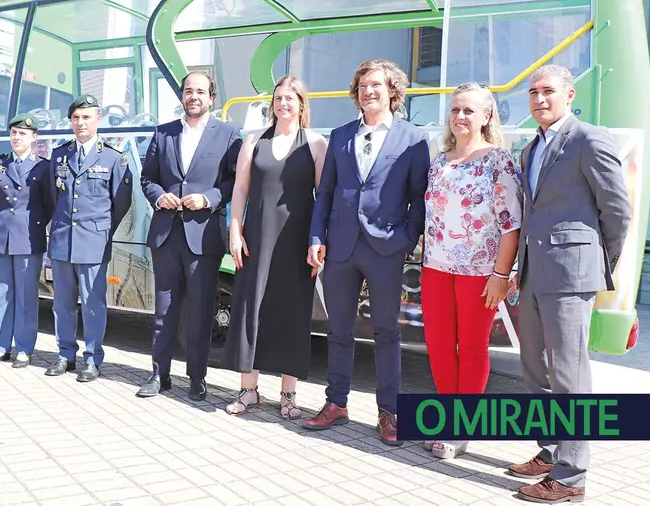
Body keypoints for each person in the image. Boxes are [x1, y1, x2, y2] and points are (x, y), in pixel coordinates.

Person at [509, 64, 631, 504]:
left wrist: (597, 261)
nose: (539, 99)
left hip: (571, 273)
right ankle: (549, 451)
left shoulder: (589, 138)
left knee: (569, 375)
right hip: (533, 273)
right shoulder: (530, 148)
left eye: (548, 91)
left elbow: (617, 210)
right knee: (534, 370)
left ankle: (571, 476)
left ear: (569, 94)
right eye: (533, 92)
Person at [303, 59, 430, 446]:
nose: (368, 91)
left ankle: (389, 412)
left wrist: (405, 240)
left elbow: (418, 199)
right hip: (340, 246)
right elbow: (324, 193)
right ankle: (336, 402)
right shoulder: (340, 135)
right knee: (338, 330)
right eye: (362, 86)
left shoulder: (414, 138)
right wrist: (315, 238)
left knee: (387, 332)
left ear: (393, 90)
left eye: (376, 85)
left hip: (385, 247)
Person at [419, 83, 522, 459]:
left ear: (486, 117)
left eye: (469, 111)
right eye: (455, 110)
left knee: (473, 347)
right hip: (436, 268)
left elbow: (511, 224)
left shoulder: (498, 160)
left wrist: (500, 274)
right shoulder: (440, 160)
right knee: (440, 345)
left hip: (480, 272)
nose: (460, 117)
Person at [221, 76, 327, 419]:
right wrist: (235, 231)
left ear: (301, 104)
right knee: (251, 309)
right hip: (256, 237)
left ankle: (289, 395)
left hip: (296, 241)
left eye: (291, 98)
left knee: (292, 313)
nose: (284, 103)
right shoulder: (253, 140)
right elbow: (240, 189)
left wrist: (319, 241)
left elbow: (323, 198)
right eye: (279, 97)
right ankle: (249, 390)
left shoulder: (315, 143)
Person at [137, 71, 242, 400]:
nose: (193, 96)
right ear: (182, 97)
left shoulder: (228, 135)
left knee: (199, 311)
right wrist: (158, 196)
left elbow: (234, 182)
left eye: (200, 91)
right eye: (188, 91)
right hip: (166, 234)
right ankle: (159, 374)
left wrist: (209, 198)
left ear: (211, 98)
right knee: (164, 309)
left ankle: (197, 377)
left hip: (203, 236)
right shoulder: (163, 133)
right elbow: (147, 178)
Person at [45, 95, 133, 382]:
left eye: (86, 117)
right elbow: (52, 197)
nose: (80, 122)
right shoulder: (59, 155)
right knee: (62, 304)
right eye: (75, 118)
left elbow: (121, 203)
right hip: (61, 240)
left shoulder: (113, 157)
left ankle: (93, 359)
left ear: (98, 119)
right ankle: (65, 355)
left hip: (94, 242)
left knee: (93, 304)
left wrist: (101, 230)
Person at [0, 114, 53, 369]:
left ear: (34, 137)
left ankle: (24, 348)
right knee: (2, 295)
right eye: (13, 132)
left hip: (29, 238)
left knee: (26, 296)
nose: (16, 137)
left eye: (23, 133)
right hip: (1, 237)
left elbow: (50, 205)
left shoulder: (44, 167)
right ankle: (0, 347)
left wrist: (33, 226)